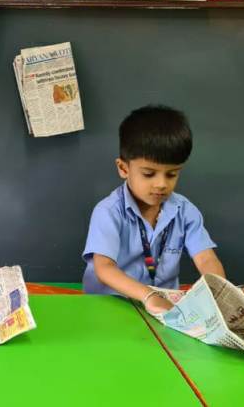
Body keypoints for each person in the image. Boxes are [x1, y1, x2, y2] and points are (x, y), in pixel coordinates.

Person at [82, 105, 225, 314]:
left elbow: (206, 258)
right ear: (123, 168)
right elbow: (104, 268)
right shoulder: (108, 211)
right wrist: (148, 296)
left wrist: (217, 290)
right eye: (149, 174)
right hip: (111, 305)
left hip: (164, 308)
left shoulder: (185, 211)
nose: (161, 184)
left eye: (172, 174)